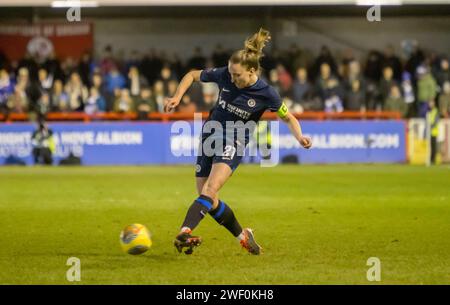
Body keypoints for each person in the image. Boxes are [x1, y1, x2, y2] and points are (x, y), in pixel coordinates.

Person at [163, 28, 312, 255]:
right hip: (209, 135)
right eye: (230, 74)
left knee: (210, 190)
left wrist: (300, 136)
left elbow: (288, 117)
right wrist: (177, 96)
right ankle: (243, 236)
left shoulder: (267, 93)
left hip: (234, 139)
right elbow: (193, 75)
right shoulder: (225, 74)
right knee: (208, 199)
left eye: (237, 75)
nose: (231, 79)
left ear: (252, 71)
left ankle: (185, 231)